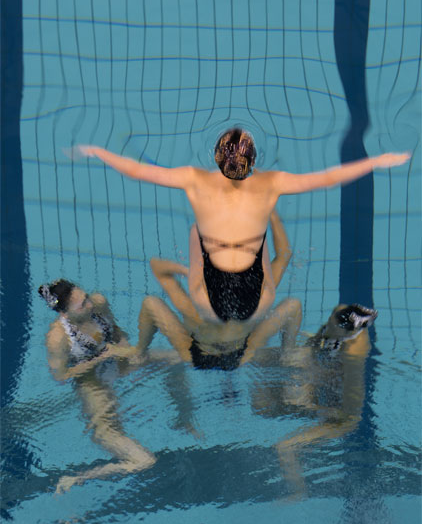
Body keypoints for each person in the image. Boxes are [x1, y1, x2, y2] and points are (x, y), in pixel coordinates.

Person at [72, 128, 409, 365]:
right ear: (252, 163)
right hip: (255, 302)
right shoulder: (271, 182)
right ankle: (288, 352)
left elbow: (137, 171)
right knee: (259, 244)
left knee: (197, 234)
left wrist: (98, 151)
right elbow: (328, 177)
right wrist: (376, 161)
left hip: (208, 304)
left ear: (217, 158)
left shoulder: (193, 178)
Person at [40, 280, 156, 493]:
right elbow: (61, 375)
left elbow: (116, 333)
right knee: (143, 461)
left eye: (86, 297)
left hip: (116, 362)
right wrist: (99, 358)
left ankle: (184, 418)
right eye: (82, 304)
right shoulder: (58, 338)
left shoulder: (98, 303)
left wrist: (126, 350)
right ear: (65, 313)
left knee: (179, 358)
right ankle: (76, 478)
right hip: (91, 383)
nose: (90, 304)